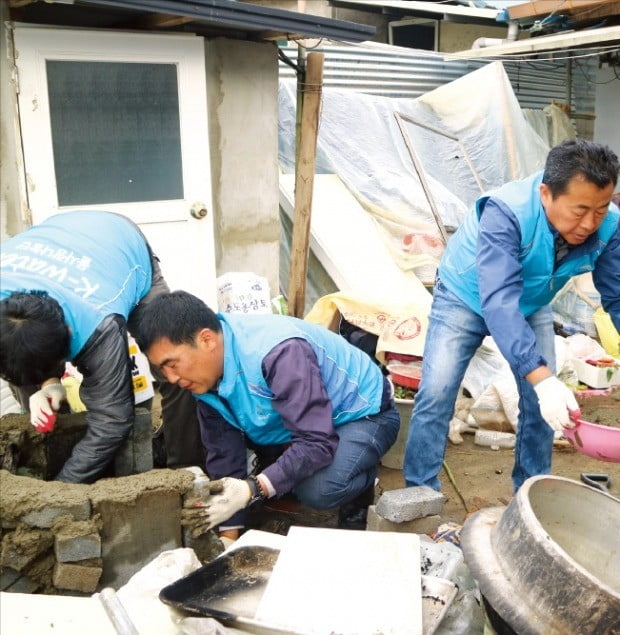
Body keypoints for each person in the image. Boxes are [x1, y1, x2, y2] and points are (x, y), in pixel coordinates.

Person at [404, 139, 620, 492]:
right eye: (579, 210)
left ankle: (529, 491)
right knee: (438, 392)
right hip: (465, 295)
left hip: (530, 301)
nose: (589, 223)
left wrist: (542, 383)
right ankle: (420, 491)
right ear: (546, 193)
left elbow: (618, 295)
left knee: (539, 402)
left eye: (600, 209)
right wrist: (544, 378)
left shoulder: (609, 226)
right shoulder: (507, 213)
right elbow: (499, 303)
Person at [136, 290, 400, 540]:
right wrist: (229, 535)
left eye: (173, 364)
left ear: (206, 340)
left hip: (362, 414)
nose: (171, 378)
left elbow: (316, 442)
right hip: (302, 421)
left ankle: (359, 480)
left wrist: (253, 488)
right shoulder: (205, 375)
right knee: (275, 483)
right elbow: (223, 452)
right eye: (162, 370)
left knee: (318, 489)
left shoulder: (278, 352)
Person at [0, 210, 204, 483]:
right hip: (60, 234)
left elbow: (113, 420)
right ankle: (57, 452)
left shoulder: (98, 322)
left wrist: (62, 490)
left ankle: (184, 469)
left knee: (174, 365)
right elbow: (20, 352)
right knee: (26, 368)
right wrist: (44, 384)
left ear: (70, 335)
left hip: (119, 245)